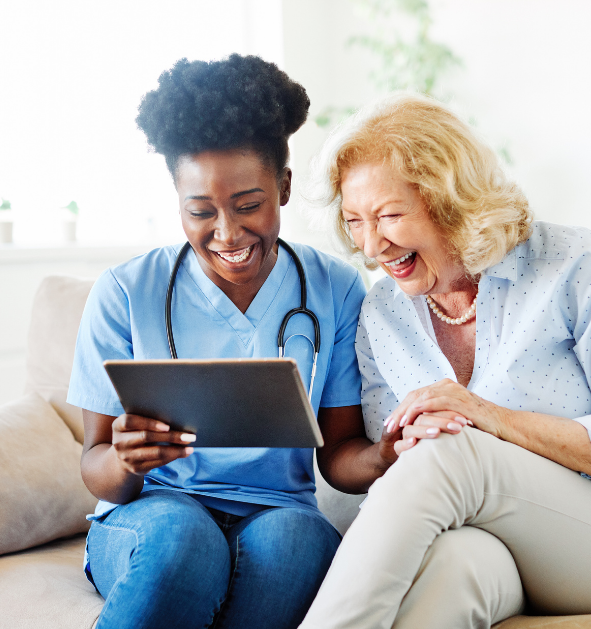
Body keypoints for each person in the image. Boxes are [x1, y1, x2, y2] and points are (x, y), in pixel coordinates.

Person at [299, 93, 591, 629]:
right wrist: (393, 448)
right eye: (355, 221)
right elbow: (398, 473)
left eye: (389, 216)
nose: (371, 244)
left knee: (454, 448)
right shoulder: (382, 312)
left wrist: (488, 417)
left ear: (450, 201)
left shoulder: (570, 263)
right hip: (510, 551)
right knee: (452, 566)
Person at [66, 54, 367, 629]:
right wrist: (127, 461)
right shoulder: (125, 292)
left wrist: (387, 457)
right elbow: (95, 464)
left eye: (248, 205)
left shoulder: (337, 289)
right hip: (155, 510)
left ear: (282, 186)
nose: (227, 233)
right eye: (200, 211)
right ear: (176, 196)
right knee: (185, 539)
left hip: (280, 510)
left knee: (298, 545)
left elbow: (338, 454)